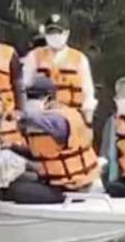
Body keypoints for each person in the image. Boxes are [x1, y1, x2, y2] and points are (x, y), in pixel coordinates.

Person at [8, 76, 99, 204]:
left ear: (50, 98)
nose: (31, 101)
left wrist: (21, 116)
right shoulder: (41, 120)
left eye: (35, 97)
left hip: (73, 187)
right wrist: (11, 147)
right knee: (15, 180)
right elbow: (41, 154)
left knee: (15, 190)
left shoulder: (61, 118)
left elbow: (47, 122)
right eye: (29, 97)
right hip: (56, 183)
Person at [23, 14, 97, 123]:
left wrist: (87, 118)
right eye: (51, 32)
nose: (54, 36)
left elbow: (88, 92)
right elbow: (23, 85)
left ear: (67, 33)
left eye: (58, 32)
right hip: (41, 112)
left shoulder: (79, 59)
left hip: (71, 115)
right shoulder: (34, 56)